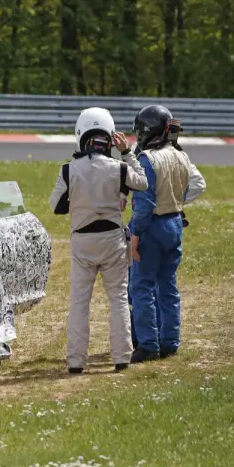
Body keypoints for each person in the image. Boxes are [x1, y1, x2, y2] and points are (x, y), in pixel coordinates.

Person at [49, 107, 149, 374]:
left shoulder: (69, 170)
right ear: (109, 136)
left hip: (83, 242)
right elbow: (142, 183)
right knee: (117, 299)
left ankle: (75, 361)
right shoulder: (119, 167)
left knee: (79, 303)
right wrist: (127, 152)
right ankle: (122, 357)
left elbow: (55, 206)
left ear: (81, 135)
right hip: (113, 241)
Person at [127, 105, 206, 363]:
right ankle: (170, 342)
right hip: (175, 224)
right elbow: (194, 185)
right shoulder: (181, 155)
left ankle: (148, 344)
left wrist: (135, 235)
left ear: (148, 131)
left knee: (141, 287)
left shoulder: (147, 159)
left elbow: (145, 203)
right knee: (168, 286)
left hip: (152, 227)